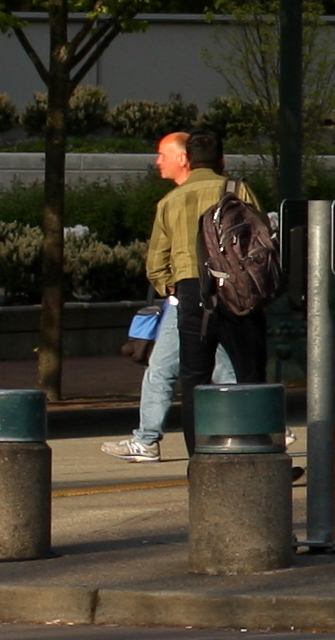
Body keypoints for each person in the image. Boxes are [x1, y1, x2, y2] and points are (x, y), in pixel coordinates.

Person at [104, 131, 257, 462]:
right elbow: (260, 238)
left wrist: (172, 290)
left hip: (190, 292)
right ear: (222, 160)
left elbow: (156, 263)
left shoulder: (170, 201)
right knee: (243, 367)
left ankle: (197, 457)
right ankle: (255, 438)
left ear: (186, 157)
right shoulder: (236, 190)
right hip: (236, 290)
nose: (157, 161)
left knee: (194, 376)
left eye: (162, 154)